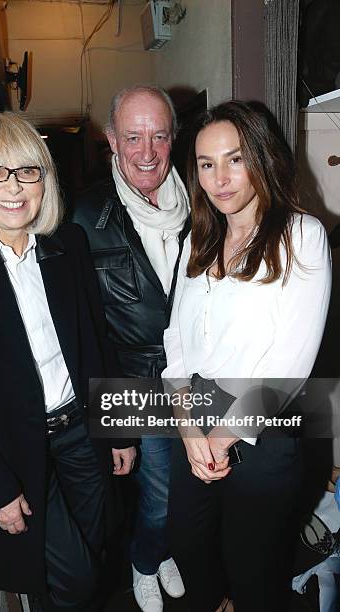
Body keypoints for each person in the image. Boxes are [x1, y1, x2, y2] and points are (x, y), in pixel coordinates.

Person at [0, 111, 136, 612]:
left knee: (93, 549)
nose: (13, 186)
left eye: (28, 171)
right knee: (74, 575)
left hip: (81, 432)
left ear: (45, 178)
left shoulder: (68, 245)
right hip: (13, 448)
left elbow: (96, 344)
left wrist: (121, 428)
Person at [162, 100, 332, 612]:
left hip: (261, 434)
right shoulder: (198, 238)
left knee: (252, 572)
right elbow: (175, 343)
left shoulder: (300, 236)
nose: (220, 178)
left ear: (262, 156)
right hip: (194, 423)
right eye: (207, 164)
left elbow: (290, 365)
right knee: (188, 549)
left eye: (235, 159)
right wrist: (190, 428)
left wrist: (220, 437)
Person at [72, 85, 187, 612]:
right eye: (134, 136)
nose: (147, 152)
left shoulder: (202, 201)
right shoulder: (81, 215)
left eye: (158, 136)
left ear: (173, 138)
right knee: (161, 493)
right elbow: (82, 328)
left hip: (201, 376)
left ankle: (160, 548)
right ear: (112, 140)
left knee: (193, 485)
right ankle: (146, 560)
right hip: (139, 384)